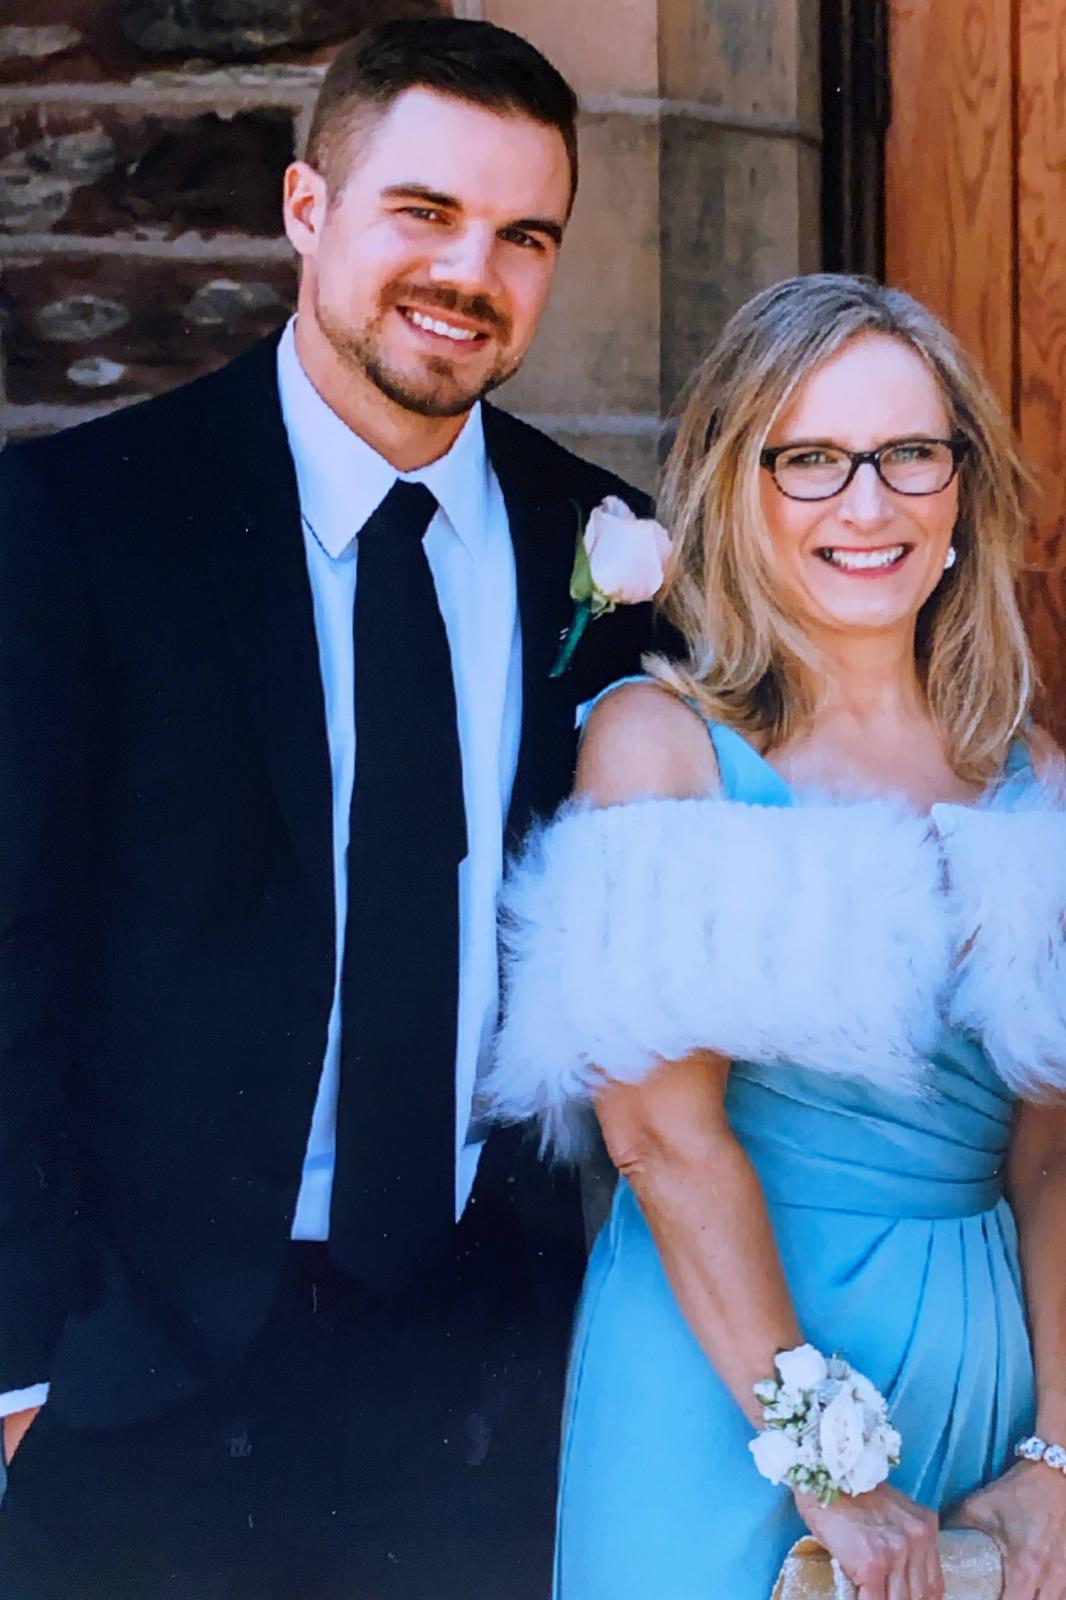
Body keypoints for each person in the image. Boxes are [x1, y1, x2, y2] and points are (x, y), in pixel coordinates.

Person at [0, 17, 664, 1599]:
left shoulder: (601, 543)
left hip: (478, 1371)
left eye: (521, 236)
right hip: (137, 1370)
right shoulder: (84, 520)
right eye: (422, 213)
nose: (469, 273)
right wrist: (20, 1364)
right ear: (308, 208)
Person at [488, 274, 1066, 1600]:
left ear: (960, 486)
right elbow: (657, 1138)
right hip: (729, 1390)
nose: (867, 507)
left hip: (989, 1377)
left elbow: (1050, 1151)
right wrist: (826, 1467)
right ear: (735, 488)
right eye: (808, 460)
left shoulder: (1032, 779)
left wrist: (1051, 1452)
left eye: (909, 454)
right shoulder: (664, 749)